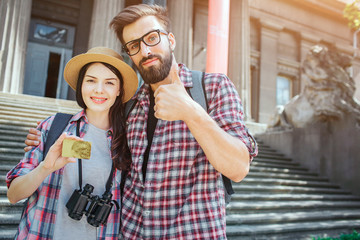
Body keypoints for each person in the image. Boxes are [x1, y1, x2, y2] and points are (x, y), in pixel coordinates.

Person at [25, 4, 258, 239]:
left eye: (152, 38)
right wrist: (47, 139)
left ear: (171, 40)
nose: (145, 51)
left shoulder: (213, 88)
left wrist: (192, 112)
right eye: (134, 46)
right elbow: (99, 146)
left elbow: (239, 168)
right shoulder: (130, 107)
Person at [7, 47, 138, 240]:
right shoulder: (54, 127)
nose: (99, 89)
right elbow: (13, 195)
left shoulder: (128, 141)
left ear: (119, 90)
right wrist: (45, 168)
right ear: (81, 85)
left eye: (109, 83)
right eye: (91, 80)